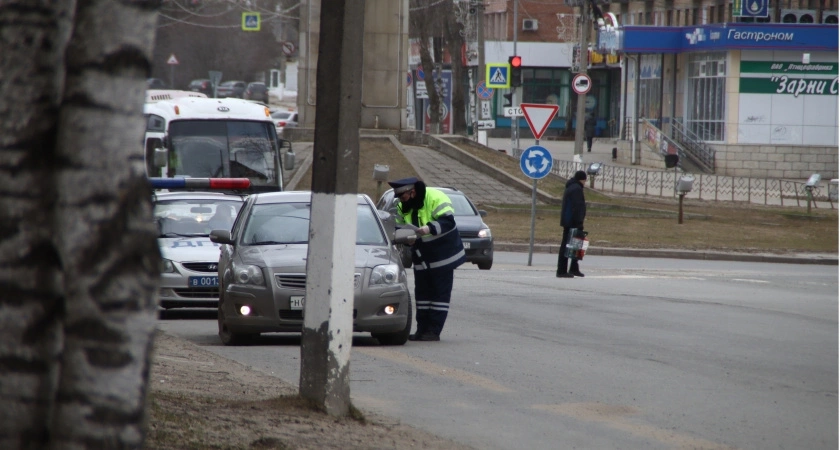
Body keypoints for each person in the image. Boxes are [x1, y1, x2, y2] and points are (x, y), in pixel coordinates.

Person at [388, 177, 466, 342]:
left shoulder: (435, 197)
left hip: (443, 255)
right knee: (422, 295)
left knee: (439, 294)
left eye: (403, 196)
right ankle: (421, 330)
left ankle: (433, 331)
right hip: (421, 256)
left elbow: (448, 222)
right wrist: (406, 238)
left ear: (412, 192)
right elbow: (400, 226)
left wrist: (428, 228)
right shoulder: (403, 205)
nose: (401, 201)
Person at [557, 171, 587, 278]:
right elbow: (577, 207)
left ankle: (574, 268)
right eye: (585, 180)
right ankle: (562, 271)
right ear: (582, 179)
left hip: (569, 221)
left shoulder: (571, 187)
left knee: (576, 245)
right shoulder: (576, 189)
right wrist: (579, 222)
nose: (585, 183)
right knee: (568, 245)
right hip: (572, 222)